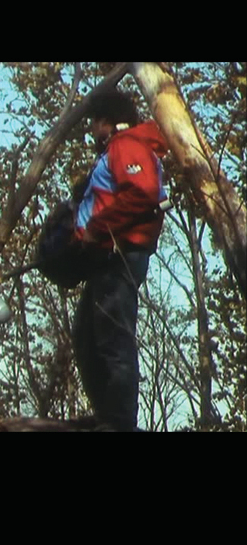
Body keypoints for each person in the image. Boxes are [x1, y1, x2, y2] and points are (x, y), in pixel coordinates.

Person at [72, 89, 170, 431]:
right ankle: (107, 413)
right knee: (87, 334)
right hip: (108, 254)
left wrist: (97, 227)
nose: (92, 131)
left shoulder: (126, 145)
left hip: (121, 253)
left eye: (94, 123)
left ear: (106, 121)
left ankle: (119, 419)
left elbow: (142, 193)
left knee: (113, 334)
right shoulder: (120, 147)